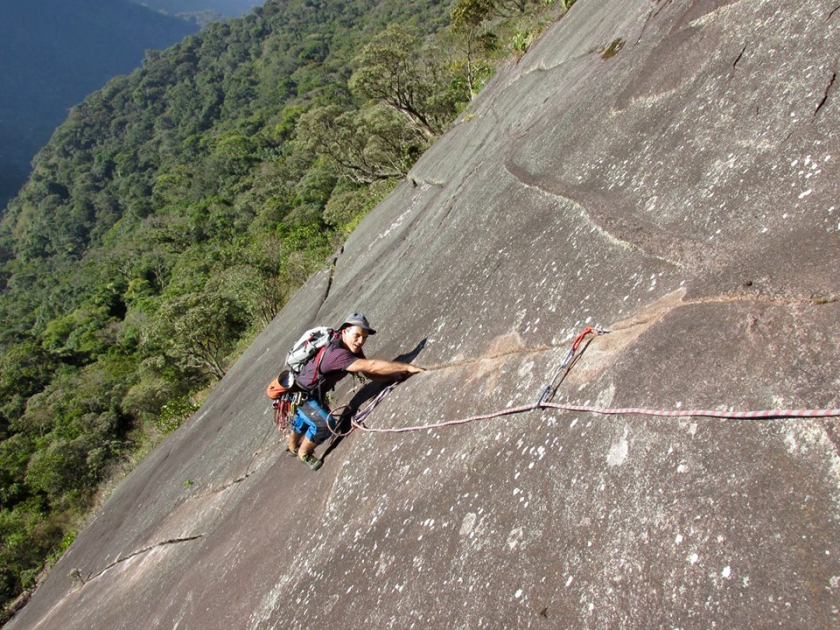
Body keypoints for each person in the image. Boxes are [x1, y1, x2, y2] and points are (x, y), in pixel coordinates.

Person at [286, 312, 424, 470]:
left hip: (307, 390)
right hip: (301, 394)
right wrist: (407, 367)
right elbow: (370, 366)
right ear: (344, 331)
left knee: (305, 418)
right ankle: (303, 453)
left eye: (364, 337)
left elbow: (368, 372)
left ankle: (291, 446)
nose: (360, 341)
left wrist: (391, 377)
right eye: (357, 335)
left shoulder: (348, 345)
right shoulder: (336, 354)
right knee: (325, 423)